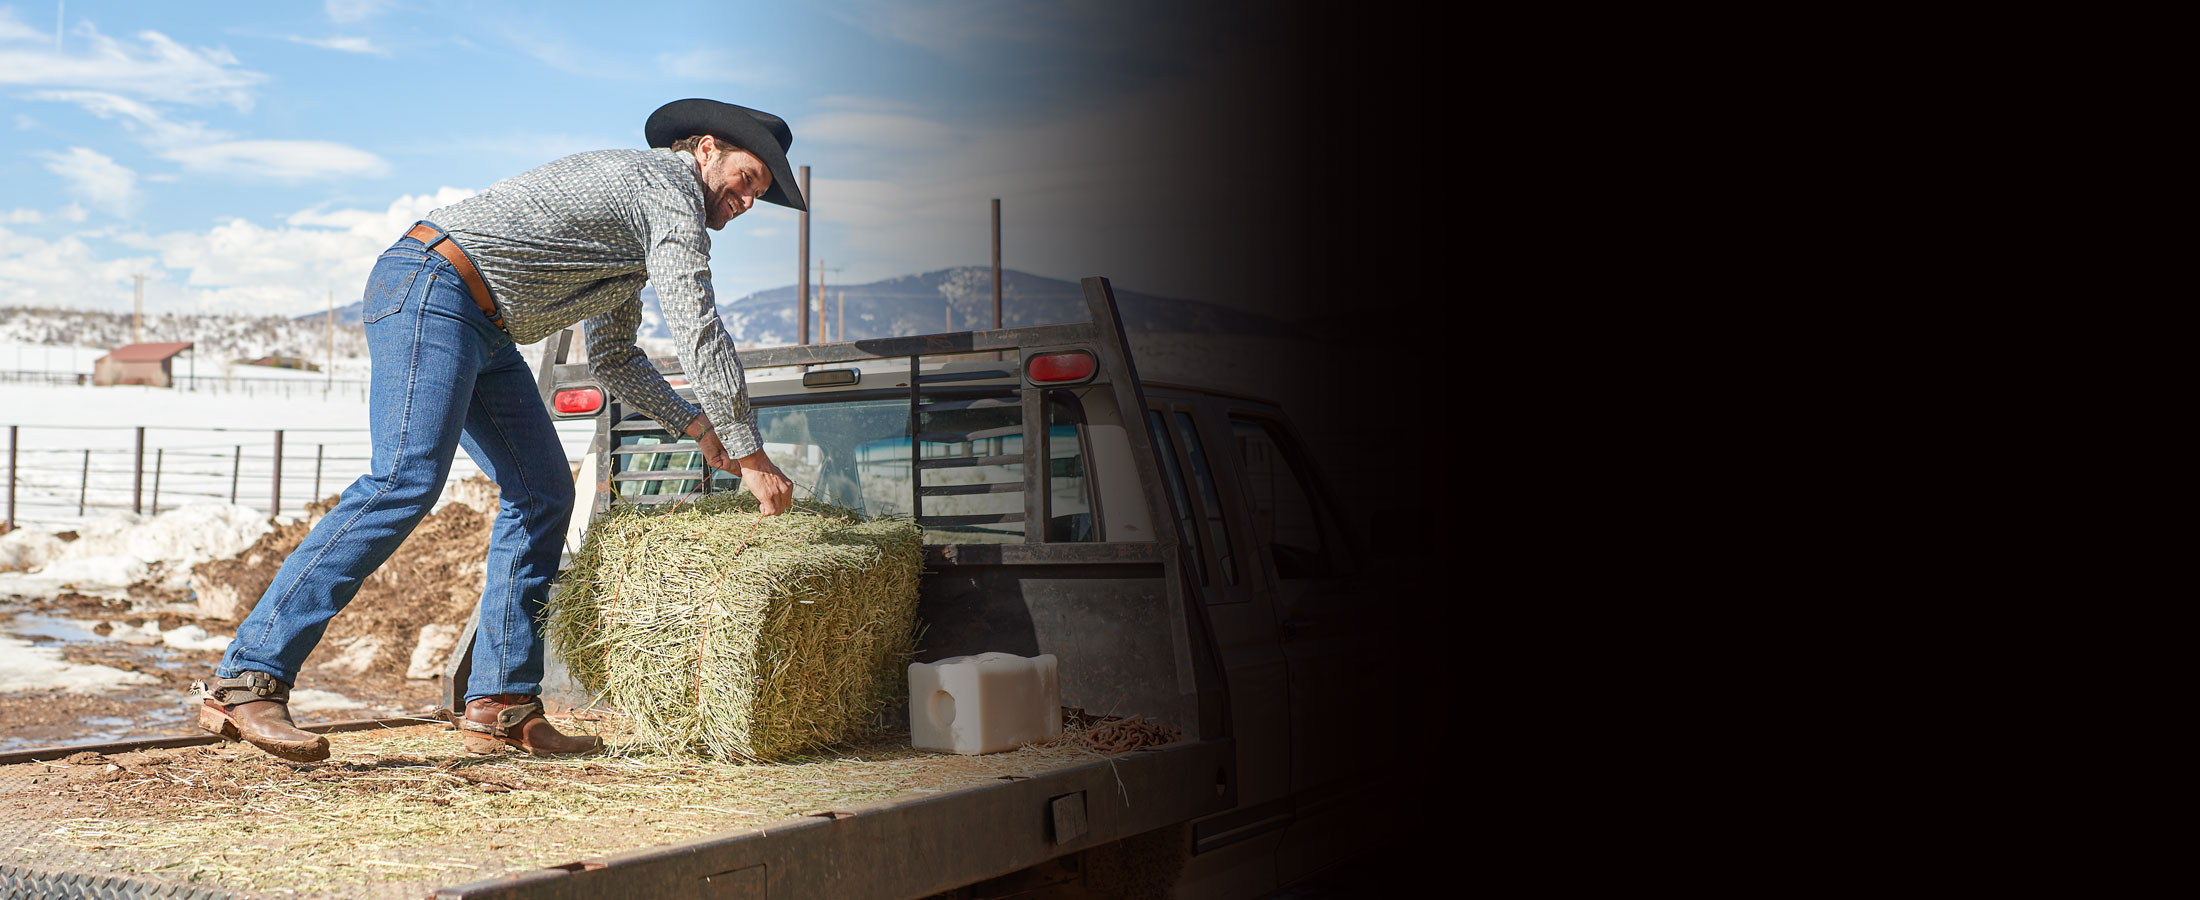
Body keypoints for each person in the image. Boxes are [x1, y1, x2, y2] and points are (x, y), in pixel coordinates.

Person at [193, 99, 803, 762]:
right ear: (707, 149)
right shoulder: (666, 188)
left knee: (544, 490)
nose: (746, 201)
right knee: (404, 480)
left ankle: (502, 705)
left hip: (484, 323)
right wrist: (750, 452)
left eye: (760, 196)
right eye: (747, 179)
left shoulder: (643, 227)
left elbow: (615, 355)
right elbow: (699, 326)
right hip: (434, 285)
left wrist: (697, 425)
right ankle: (247, 680)